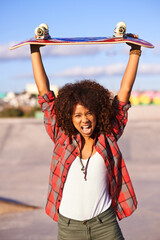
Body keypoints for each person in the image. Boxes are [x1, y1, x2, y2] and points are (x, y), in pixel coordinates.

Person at [30, 36, 141, 240]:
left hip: (104, 224)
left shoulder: (107, 136)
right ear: (68, 118)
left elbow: (124, 94)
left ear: (98, 113)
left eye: (89, 113)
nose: (85, 120)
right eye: (78, 115)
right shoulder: (62, 137)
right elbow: (45, 95)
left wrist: (135, 51)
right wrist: (35, 49)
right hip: (69, 228)